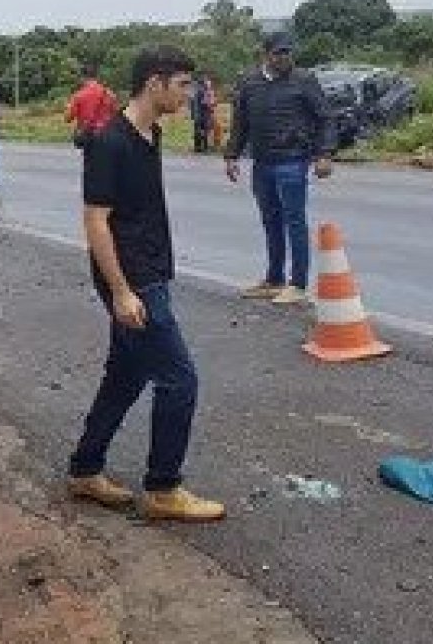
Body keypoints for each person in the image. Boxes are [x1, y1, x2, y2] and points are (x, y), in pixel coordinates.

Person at [66, 45, 225, 522]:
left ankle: (85, 469)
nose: (188, 94)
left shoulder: (150, 134)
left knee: (126, 376)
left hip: (150, 271)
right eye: (181, 84)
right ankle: (163, 487)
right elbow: (96, 222)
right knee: (180, 379)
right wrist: (120, 291)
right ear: (155, 83)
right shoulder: (109, 142)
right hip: (132, 280)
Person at [223, 32, 334, 306]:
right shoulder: (249, 83)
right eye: (278, 53)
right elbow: (240, 123)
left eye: (288, 52)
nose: (284, 58)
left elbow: (325, 118)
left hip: (293, 160)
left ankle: (298, 284)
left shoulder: (304, 81)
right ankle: (274, 279)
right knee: (270, 221)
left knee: (294, 221)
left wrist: (324, 154)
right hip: (262, 162)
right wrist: (231, 155)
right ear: (266, 55)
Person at [65, 65, 118, 150]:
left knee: (91, 161)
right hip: (107, 135)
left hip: (88, 136)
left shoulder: (79, 96)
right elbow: (116, 115)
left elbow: (67, 118)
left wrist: (68, 107)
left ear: (83, 77)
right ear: (96, 77)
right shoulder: (109, 94)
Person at [189, 72, 214, 153]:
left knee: (197, 131)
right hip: (203, 114)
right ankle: (205, 148)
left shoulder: (195, 90)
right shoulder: (204, 91)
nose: (209, 83)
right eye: (208, 82)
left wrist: (192, 113)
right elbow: (206, 103)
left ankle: (197, 148)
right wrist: (211, 104)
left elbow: (191, 102)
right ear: (205, 82)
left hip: (196, 114)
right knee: (205, 131)